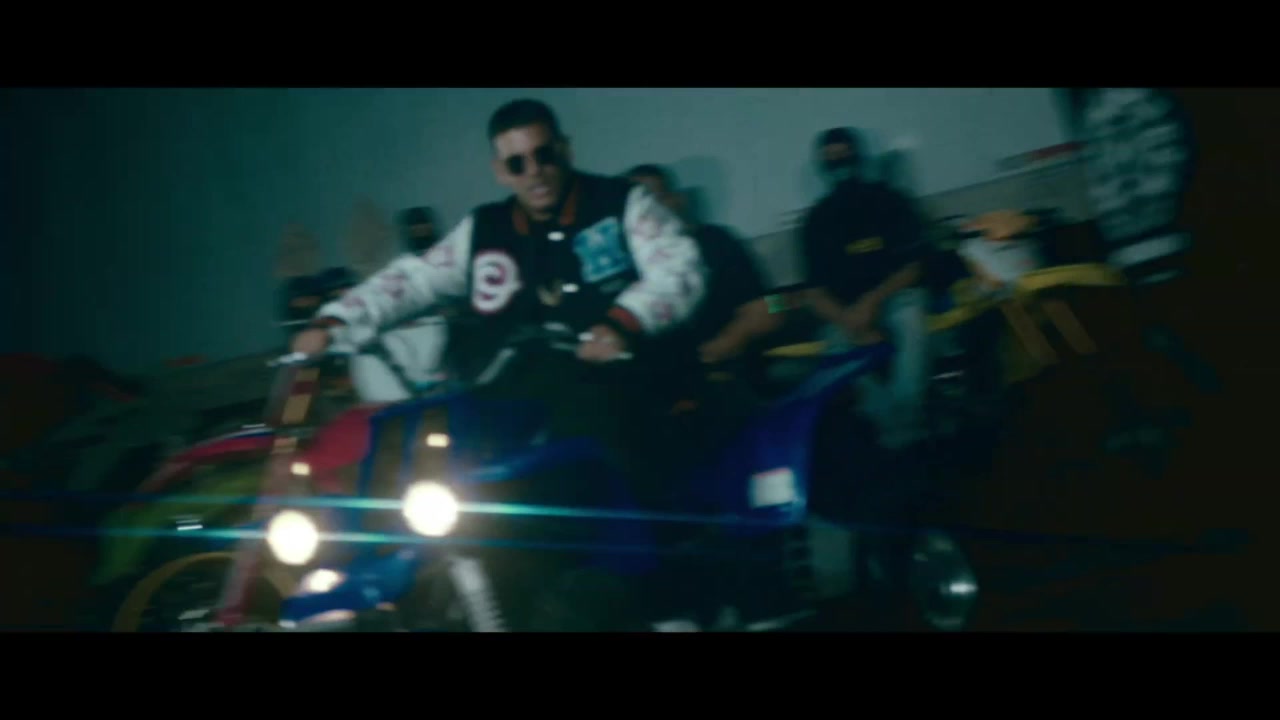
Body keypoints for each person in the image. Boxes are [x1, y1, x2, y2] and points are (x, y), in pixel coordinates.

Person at [292, 99, 707, 502]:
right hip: (500, 399)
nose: (535, 172)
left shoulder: (623, 203)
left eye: (544, 155)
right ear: (500, 171)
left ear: (565, 149)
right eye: (517, 163)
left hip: (613, 387)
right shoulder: (484, 228)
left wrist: (623, 323)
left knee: (590, 439)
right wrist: (335, 322)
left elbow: (678, 268)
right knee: (406, 446)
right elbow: (414, 279)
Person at [800, 127, 931, 452]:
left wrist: (872, 302)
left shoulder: (890, 200)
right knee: (835, 346)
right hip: (845, 313)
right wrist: (849, 319)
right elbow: (812, 293)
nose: (838, 163)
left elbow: (914, 267)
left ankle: (908, 417)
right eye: (830, 158)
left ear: (858, 157)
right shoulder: (816, 219)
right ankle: (888, 426)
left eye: (844, 154)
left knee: (911, 319)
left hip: (895, 297)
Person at [623, 164, 780, 369]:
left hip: (727, 368)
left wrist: (731, 340)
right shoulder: (623, 262)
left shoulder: (717, 240)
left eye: (656, 199)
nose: (647, 212)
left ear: (677, 199)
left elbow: (773, 306)